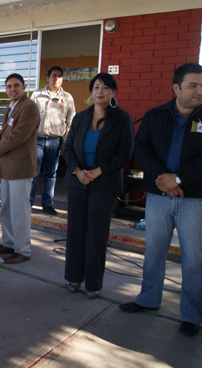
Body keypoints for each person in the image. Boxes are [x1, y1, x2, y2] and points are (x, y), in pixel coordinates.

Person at [120, 63, 202, 336]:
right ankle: (148, 299)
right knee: (154, 252)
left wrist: (178, 179)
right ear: (176, 88)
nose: (199, 91)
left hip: (194, 198)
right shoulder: (156, 116)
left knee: (194, 260)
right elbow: (141, 148)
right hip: (158, 196)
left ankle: (192, 314)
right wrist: (164, 180)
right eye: (193, 85)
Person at [62, 73, 133, 299]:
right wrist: (78, 171)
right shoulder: (80, 118)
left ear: (113, 92)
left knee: (96, 233)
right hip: (78, 181)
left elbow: (125, 154)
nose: (100, 91)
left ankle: (93, 283)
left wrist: (100, 170)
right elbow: (69, 149)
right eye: (96, 87)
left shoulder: (122, 119)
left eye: (105, 87)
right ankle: (73, 277)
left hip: (105, 182)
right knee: (75, 230)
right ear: (91, 92)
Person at [0, 73, 40, 264]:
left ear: (23, 86)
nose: (12, 89)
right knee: (6, 208)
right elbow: (7, 135)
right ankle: (9, 242)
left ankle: (23, 249)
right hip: (8, 167)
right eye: (9, 86)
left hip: (21, 167)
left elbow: (18, 137)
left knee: (20, 210)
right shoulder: (11, 107)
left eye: (16, 85)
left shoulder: (29, 107)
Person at [30, 66, 76, 215]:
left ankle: (47, 203)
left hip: (56, 141)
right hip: (38, 139)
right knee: (34, 172)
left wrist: (66, 141)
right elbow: (28, 117)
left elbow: (71, 122)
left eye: (59, 76)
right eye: (53, 75)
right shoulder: (37, 95)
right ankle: (28, 202)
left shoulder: (67, 98)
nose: (56, 79)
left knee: (51, 174)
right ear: (47, 78)